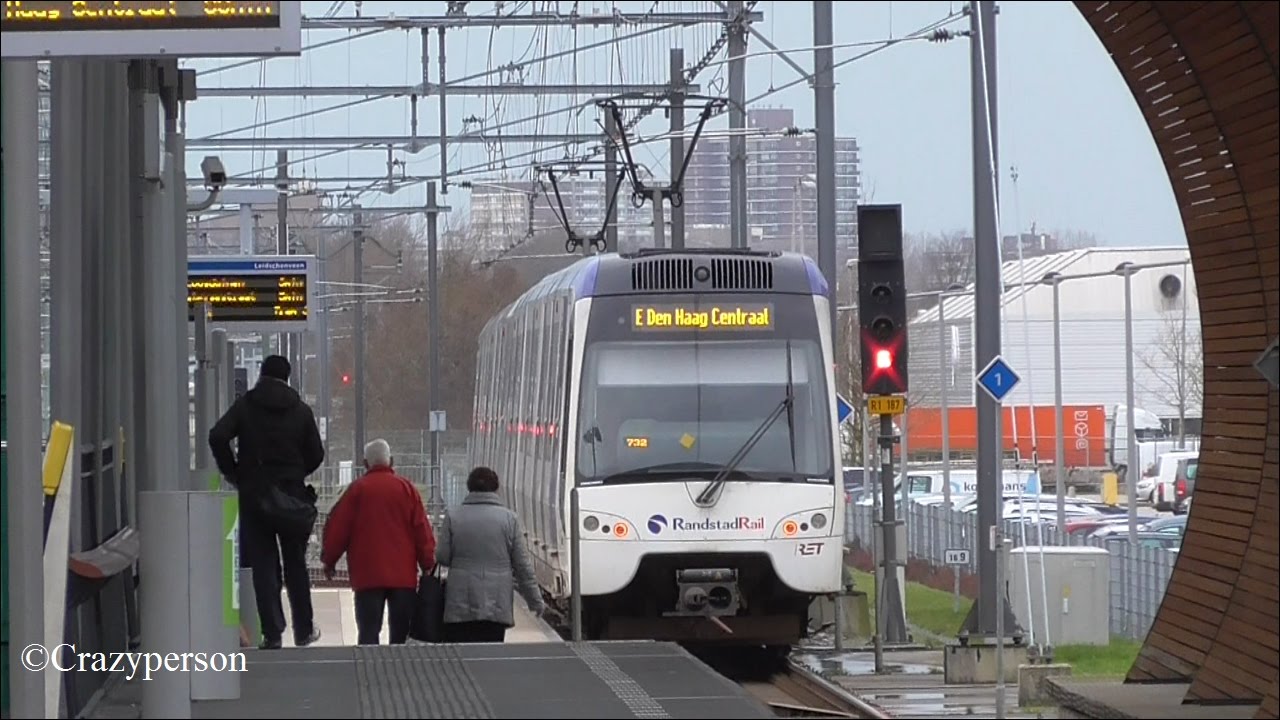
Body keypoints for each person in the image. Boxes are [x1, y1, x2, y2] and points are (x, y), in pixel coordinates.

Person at [209, 355, 325, 650]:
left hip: (255, 497)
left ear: (261, 374)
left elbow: (218, 435)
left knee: (263, 565)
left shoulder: (246, 406)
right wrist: (296, 473)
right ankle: (304, 630)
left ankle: (273, 633)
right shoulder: (300, 411)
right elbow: (317, 454)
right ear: (287, 378)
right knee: (295, 565)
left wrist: (234, 472)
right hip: (291, 498)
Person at [320, 439, 436, 645]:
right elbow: (422, 530)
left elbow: (339, 529)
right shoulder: (407, 489)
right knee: (400, 634)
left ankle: (368, 672)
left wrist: (329, 561)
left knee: (368, 631)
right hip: (403, 577)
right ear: (391, 461)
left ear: (365, 464)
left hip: (367, 576)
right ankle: (398, 673)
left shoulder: (356, 490)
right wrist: (427, 564)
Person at [436, 466, 545, 643]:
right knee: (490, 655)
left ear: (469, 487)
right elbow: (522, 566)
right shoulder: (509, 519)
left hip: (460, 601)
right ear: (496, 488)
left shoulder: (453, 516)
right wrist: (535, 600)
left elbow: (442, 556)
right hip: (496, 604)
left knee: (461, 657)